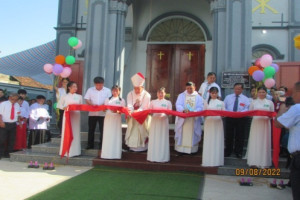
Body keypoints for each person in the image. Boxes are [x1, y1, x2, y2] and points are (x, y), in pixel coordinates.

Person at [275, 81, 300, 200]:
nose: (292, 96)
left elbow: (278, 123)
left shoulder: (297, 108)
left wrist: (282, 108)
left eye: (294, 92)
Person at [246, 87, 274, 168]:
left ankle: (264, 162)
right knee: (255, 141)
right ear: (257, 93)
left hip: (265, 124)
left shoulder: (270, 102)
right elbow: (250, 113)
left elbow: (272, 114)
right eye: (260, 92)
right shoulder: (253, 102)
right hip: (256, 124)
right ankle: (254, 161)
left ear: (266, 93)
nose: (261, 94)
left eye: (263, 92)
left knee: (264, 142)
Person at [174, 82, 203, 154]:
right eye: (188, 88)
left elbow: (200, 107)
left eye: (191, 88)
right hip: (184, 118)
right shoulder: (181, 95)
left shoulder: (198, 97)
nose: (189, 90)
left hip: (193, 119)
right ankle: (180, 150)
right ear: (186, 88)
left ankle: (192, 150)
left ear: (195, 87)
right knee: (182, 133)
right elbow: (178, 104)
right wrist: (183, 110)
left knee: (192, 133)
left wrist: (194, 111)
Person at [125, 73, 151, 152]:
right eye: (135, 88)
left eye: (138, 89)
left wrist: (138, 111)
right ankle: (132, 147)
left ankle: (143, 148)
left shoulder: (147, 95)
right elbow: (129, 104)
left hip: (142, 117)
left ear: (142, 87)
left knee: (141, 131)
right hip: (133, 116)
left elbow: (144, 106)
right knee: (132, 130)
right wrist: (131, 111)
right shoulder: (130, 94)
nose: (136, 90)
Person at [84, 77, 111, 150]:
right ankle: (90, 144)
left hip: (103, 114)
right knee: (91, 129)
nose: (99, 86)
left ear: (103, 83)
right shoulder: (90, 90)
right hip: (92, 113)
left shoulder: (107, 91)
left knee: (103, 129)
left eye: (100, 85)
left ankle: (102, 145)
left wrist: (102, 106)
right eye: (97, 85)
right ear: (94, 84)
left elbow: (109, 100)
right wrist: (92, 104)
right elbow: (86, 99)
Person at [224, 83, 250, 158]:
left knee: (240, 136)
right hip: (229, 117)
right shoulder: (228, 97)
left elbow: (247, 108)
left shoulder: (245, 99)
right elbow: (224, 106)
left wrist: (240, 113)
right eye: (235, 88)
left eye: (239, 89)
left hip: (241, 118)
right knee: (229, 135)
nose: (237, 90)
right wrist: (229, 112)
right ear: (233, 89)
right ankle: (228, 151)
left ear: (242, 89)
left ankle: (238, 152)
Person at [147, 87, 172, 163]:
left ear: (165, 93)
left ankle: (163, 157)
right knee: (154, 137)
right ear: (157, 94)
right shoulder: (153, 102)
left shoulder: (168, 102)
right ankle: (153, 157)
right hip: (155, 122)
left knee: (163, 138)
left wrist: (165, 113)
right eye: (159, 93)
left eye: (162, 93)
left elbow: (170, 113)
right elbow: (149, 112)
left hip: (163, 122)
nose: (160, 94)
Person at [101, 85, 126, 159]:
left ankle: (116, 154)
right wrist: (104, 109)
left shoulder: (122, 100)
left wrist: (117, 111)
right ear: (111, 91)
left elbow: (123, 111)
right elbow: (104, 109)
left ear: (119, 92)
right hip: (108, 119)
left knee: (116, 135)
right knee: (108, 135)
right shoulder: (107, 99)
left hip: (116, 120)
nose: (115, 92)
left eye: (117, 91)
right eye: (113, 91)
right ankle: (106, 154)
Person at [202, 87, 225, 166]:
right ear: (210, 93)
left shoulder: (221, 103)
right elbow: (203, 113)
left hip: (218, 123)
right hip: (209, 123)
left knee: (217, 140)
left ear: (217, 93)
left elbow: (224, 114)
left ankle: (217, 161)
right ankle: (207, 161)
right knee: (209, 140)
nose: (214, 94)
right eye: (212, 93)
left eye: (215, 93)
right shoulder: (206, 102)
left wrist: (219, 114)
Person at [59, 81, 83, 157]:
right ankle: (65, 150)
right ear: (69, 87)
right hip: (67, 115)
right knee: (67, 131)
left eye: (76, 87)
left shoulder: (79, 96)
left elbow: (81, 106)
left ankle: (75, 151)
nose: (75, 88)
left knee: (75, 131)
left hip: (76, 116)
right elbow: (59, 105)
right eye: (73, 87)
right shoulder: (64, 96)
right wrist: (65, 107)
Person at [0, 93, 20, 159]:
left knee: (11, 140)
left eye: (16, 99)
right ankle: (1, 153)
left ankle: (8, 153)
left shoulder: (17, 105)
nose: (14, 100)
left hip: (13, 123)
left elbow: (18, 114)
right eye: (13, 99)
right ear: (9, 97)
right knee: (2, 139)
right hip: (4, 123)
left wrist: (19, 121)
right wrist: (1, 122)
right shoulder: (4, 104)